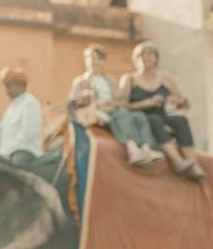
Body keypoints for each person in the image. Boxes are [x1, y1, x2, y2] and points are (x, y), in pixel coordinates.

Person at [119, 41, 205, 181]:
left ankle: (193, 163)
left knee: (181, 120)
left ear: (156, 58)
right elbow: (122, 105)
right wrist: (146, 103)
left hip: (162, 114)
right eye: (142, 55)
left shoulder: (165, 78)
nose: (146, 57)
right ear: (136, 59)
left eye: (150, 54)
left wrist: (177, 102)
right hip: (141, 118)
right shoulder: (129, 79)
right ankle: (178, 162)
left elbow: (181, 101)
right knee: (154, 119)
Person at [68, 43, 163, 166]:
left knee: (138, 116)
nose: (93, 61)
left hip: (113, 109)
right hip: (95, 112)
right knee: (122, 114)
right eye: (89, 58)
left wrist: (113, 105)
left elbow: (121, 100)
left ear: (103, 61)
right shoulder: (81, 82)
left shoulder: (111, 81)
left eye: (96, 58)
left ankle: (146, 147)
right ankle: (132, 149)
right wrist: (93, 102)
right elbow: (73, 102)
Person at [0, 67, 44, 166]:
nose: (6, 91)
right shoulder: (11, 107)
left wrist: (11, 146)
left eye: (9, 86)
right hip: (7, 152)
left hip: (24, 150)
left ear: (20, 86)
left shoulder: (30, 103)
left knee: (15, 171)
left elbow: (29, 132)